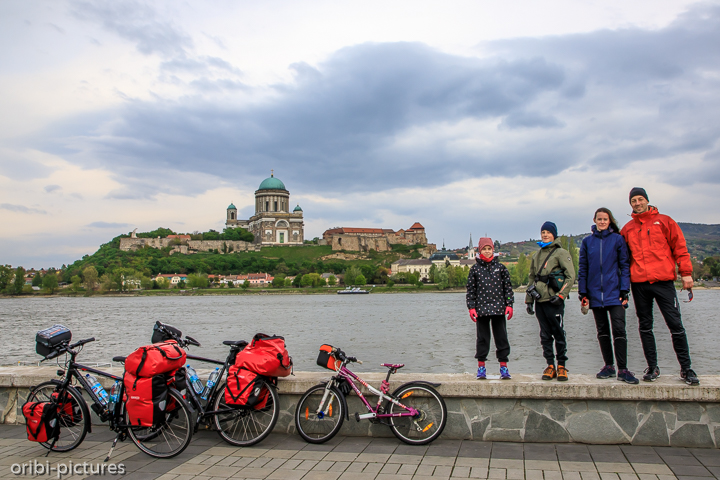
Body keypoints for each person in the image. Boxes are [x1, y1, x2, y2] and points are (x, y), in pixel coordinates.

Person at [620, 187, 699, 385]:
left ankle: (686, 368)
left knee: (675, 325)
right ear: (630, 204)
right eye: (633, 201)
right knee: (645, 327)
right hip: (639, 284)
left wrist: (686, 274)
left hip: (663, 282)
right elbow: (622, 258)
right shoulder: (627, 229)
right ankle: (652, 367)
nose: (637, 203)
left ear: (647, 200)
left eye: (640, 199)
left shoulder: (664, 221)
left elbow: (680, 247)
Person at [578, 208, 638, 384]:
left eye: (605, 219)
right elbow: (583, 269)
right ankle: (609, 366)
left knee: (619, 330)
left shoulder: (618, 240)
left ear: (609, 220)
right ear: (595, 220)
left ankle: (623, 369)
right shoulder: (587, 242)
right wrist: (583, 292)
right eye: (599, 219)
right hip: (595, 294)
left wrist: (624, 289)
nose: (602, 222)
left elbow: (624, 266)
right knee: (602, 332)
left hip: (615, 293)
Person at [525, 222, 576, 381]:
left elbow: (571, 276)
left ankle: (561, 366)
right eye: (543, 232)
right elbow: (532, 278)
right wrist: (529, 300)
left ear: (554, 234)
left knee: (559, 333)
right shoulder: (536, 255)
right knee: (545, 335)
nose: (545, 235)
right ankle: (550, 365)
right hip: (540, 301)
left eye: (548, 232)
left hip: (555, 300)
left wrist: (561, 295)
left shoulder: (561, 253)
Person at [466, 237, 514, 380]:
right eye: (484, 249)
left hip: (499, 308)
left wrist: (509, 305)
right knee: (482, 339)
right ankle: (481, 367)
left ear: (493, 250)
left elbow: (508, 288)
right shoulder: (474, 269)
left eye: (489, 249)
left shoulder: (501, 268)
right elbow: (471, 290)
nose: (487, 252)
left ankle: (503, 367)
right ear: (479, 251)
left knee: (501, 338)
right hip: (481, 309)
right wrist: (471, 307)